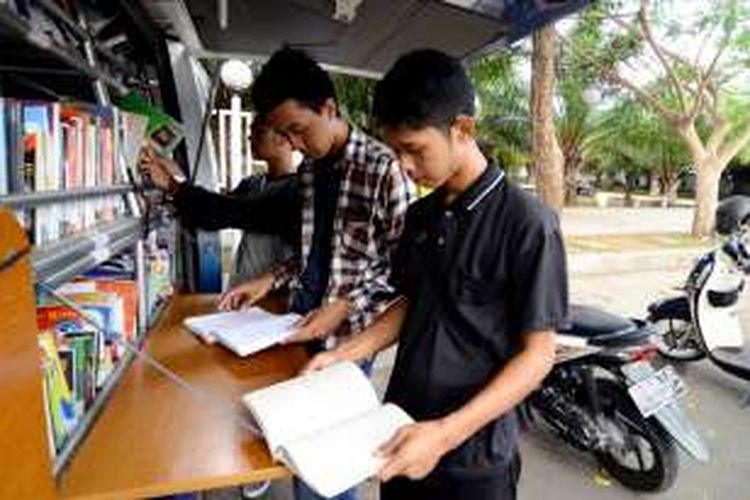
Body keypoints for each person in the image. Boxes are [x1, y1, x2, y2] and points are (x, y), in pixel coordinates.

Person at [304, 49, 569, 500]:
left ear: (462, 129)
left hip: (473, 459)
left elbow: (538, 355)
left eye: (414, 150)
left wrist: (444, 435)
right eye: (395, 150)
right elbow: (412, 303)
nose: (404, 166)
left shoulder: (528, 223)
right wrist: (349, 352)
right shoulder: (421, 215)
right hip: (399, 434)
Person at [218, 47, 414, 500]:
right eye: (285, 135)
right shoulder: (310, 171)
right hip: (297, 323)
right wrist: (271, 279)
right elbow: (313, 254)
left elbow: (402, 272)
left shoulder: (384, 168)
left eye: (300, 130)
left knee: (326, 466)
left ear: (329, 108)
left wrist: (344, 306)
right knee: (294, 441)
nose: (295, 144)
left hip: (348, 336)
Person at [140, 116, 298, 285]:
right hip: (244, 286)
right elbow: (213, 215)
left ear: (284, 139)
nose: (250, 137)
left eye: (259, 131)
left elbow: (229, 212)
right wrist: (178, 179)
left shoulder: (294, 190)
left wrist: (173, 185)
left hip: (274, 293)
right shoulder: (253, 184)